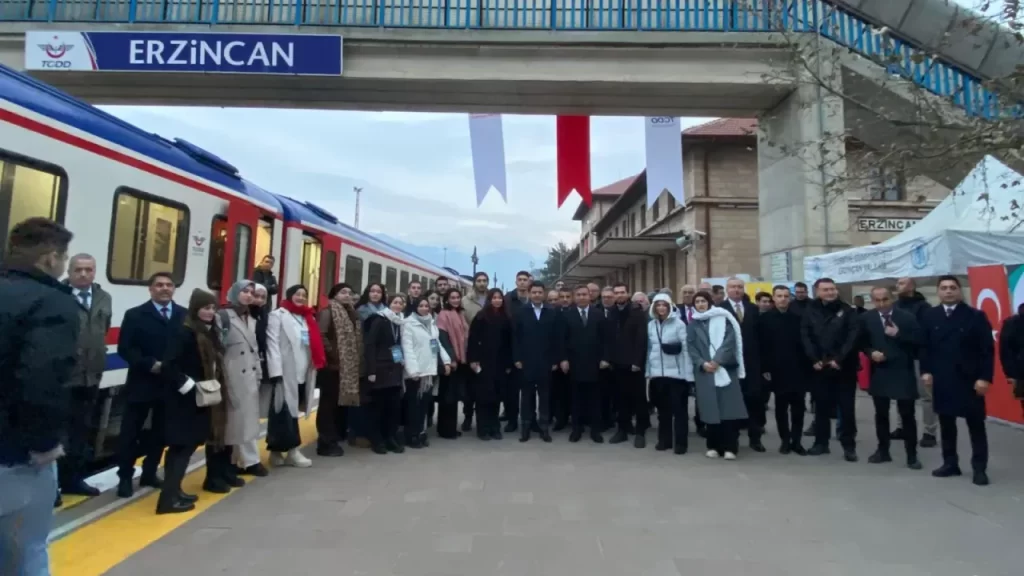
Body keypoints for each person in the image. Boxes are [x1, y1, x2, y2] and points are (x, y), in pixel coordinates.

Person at [0, 217, 78, 574]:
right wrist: (45, 443)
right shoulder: (52, 303)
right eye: (64, 259)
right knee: (26, 550)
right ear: (50, 258)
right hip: (15, 452)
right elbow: (40, 380)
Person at [116, 271, 186, 498]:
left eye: (169, 285)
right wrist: (149, 364)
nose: (164, 288)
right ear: (150, 289)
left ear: (174, 289)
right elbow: (125, 349)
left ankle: (149, 472)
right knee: (130, 432)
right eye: (159, 285)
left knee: (161, 432)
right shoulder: (135, 315)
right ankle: (125, 477)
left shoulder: (183, 316)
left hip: (168, 385)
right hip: (142, 382)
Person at [920, 276, 994, 486]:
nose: (948, 291)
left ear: (960, 291)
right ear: (938, 292)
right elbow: (925, 347)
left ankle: (979, 468)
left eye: (953, 287)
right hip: (943, 378)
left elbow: (987, 350)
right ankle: (950, 463)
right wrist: (926, 371)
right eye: (944, 288)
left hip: (970, 380)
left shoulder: (975, 316)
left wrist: (984, 378)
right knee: (946, 424)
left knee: (975, 425)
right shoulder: (930, 316)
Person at [158, 289, 223, 514]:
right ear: (196, 308)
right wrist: (189, 387)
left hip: (197, 399)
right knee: (180, 447)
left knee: (186, 446)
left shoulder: (205, 332)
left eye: (213, 309)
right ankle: (167, 500)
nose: (210, 312)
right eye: (206, 308)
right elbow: (168, 366)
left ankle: (175, 491)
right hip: (184, 400)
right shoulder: (184, 333)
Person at [58, 253, 111, 499]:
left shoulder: (103, 298)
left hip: (91, 377)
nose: (83, 274)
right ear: (69, 272)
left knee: (81, 432)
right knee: (57, 435)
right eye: (78, 269)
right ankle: (52, 488)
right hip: (62, 378)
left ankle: (73, 481)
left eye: (88, 269)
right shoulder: (57, 296)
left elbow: (104, 330)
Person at [859, 286, 923, 470]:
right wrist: (871, 353)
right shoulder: (867, 318)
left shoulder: (907, 318)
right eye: (877, 300)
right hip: (880, 371)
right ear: (872, 301)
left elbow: (919, 343)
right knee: (881, 414)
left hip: (903, 371)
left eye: (885, 299)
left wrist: (899, 335)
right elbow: (862, 342)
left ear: (892, 298)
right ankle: (883, 450)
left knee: (907, 415)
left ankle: (912, 455)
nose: (881, 304)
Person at [800, 277, 860, 462]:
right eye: (825, 289)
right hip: (819, 367)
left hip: (843, 367)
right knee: (821, 408)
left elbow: (853, 336)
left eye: (832, 289)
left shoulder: (848, 311)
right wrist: (814, 359)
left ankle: (849, 446)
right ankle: (821, 443)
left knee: (847, 409)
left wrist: (839, 359)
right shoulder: (810, 311)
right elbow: (805, 336)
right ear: (817, 292)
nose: (830, 292)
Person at [266, 284, 323, 468]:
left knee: (289, 412)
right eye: (297, 294)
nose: (300, 297)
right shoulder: (278, 315)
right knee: (282, 413)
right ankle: (291, 451)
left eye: (304, 295)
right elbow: (272, 343)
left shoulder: (307, 317)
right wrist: (276, 371)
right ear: (289, 296)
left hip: (302, 371)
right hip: (285, 371)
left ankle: (276, 451)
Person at [687, 291, 748, 460]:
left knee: (729, 411)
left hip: (725, 369)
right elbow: (690, 347)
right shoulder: (693, 324)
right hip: (705, 372)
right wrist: (702, 363)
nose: (700, 304)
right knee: (710, 411)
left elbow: (730, 342)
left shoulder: (723, 318)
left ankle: (730, 447)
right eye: (697, 302)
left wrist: (717, 361)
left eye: (703, 301)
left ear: (709, 302)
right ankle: (713, 445)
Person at [220, 281, 267, 478]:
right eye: (244, 291)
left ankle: (246, 461)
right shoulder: (223, 316)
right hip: (231, 377)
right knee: (232, 423)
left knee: (246, 422)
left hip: (248, 376)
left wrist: (258, 374)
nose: (248, 295)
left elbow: (254, 347)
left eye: (251, 292)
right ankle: (235, 463)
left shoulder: (250, 317)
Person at [759, 286, 809, 455]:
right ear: (774, 298)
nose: (782, 299)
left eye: (786, 296)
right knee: (781, 408)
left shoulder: (798, 318)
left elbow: (805, 344)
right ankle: (785, 440)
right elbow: (762, 347)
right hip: (777, 370)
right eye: (779, 296)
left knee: (798, 408)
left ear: (790, 298)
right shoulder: (765, 319)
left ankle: (797, 440)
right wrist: (765, 369)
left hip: (798, 370)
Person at [513, 281, 564, 443]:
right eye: (533, 292)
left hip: (546, 361)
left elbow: (558, 338)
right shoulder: (521, 312)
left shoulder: (552, 312)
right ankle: (526, 428)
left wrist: (556, 359)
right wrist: (517, 358)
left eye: (539, 292)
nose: (536, 295)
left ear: (544, 294)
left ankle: (544, 428)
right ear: (529, 294)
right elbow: (515, 338)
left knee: (545, 396)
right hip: (526, 361)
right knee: (526, 396)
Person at [316, 283, 362, 457]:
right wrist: (334, 355)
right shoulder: (328, 312)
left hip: (345, 367)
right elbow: (321, 335)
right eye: (343, 292)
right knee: (328, 405)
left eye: (349, 293)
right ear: (334, 294)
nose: (347, 295)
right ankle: (325, 442)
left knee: (337, 404)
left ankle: (334, 437)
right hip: (332, 367)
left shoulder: (351, 312)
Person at [719, 277, 765, 452]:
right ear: (727, 289)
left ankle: (755, 438)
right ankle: (732, 440)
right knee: (732, 403)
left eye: (739, 287)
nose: (736, 290)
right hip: (729, 364)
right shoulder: (720, 310)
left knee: (754, 401)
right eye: (733, 287)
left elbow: (760, 338)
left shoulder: (753, 309)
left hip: (752, 364)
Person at [892, 277, 937, 448]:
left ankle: (929, 432)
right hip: (900, 356)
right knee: (901, 394)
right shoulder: (895, 305)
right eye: (897, 284)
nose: (898, 286)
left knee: (926, 397)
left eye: (901, 284)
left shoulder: (923, 307)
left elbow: (925, 334)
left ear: (911, 286)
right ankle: (901, 427)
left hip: (919, 356)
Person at [401, 298, 452, 447]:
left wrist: (446, 361)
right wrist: (413, 370)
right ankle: (411, 435)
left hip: (429, 372)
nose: (424, 308)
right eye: (421, 306)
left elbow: (436, 345)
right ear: (415, 308)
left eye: (426, 306)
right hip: (415, 373)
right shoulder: (408, 324)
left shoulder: (431, 324)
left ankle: (421, 432)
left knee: (424, 405)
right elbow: (407, 348)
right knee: (413, 406)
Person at [562, 285, 609, 443]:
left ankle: (595, 431)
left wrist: (605, 358)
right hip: (574, 364)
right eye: (579, 295)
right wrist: (563, 359)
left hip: (594, 364)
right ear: (574, 297)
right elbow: (562, 339)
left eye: (584, 294)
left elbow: (605, 340)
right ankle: (576, 429)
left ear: (590, 296)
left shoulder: (598, 315)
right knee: (575, 399)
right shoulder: (567, 315)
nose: (582, 297)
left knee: (595, 399)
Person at [363, 294, 408, 454]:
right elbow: (370, 345)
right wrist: (371, 370)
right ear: (389, 304)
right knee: (378, 408)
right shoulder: (379, 320)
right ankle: (377, 440)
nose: (398, 305)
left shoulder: (400, 322)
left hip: (395, 369)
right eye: (395, 302)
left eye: (401, 303)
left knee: (393, 407)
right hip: (380, 369)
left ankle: (390, 437)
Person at [468, 288, 515, 440]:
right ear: (489, 299)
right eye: (494, 297)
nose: (497, 300)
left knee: (496, 397)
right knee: (483, 397)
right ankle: (483, 428)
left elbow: (510, 343)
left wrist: (509, 363)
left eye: (499, 298)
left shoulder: (507, 318)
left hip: (500, 363)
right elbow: (473, 340)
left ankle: (495, 427)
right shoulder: (481, 317)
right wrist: (473, 360)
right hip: (484, 362)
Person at [646, 294, 690, 455]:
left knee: (679, 412)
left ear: (669, 307)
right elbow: (650, 349)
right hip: (658, 374)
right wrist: (648, 371)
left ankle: (681, 443)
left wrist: (687, 373)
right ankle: (664, 441)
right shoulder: (651, 325)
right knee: (662, 411)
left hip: (677, 376)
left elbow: (686, 349)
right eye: (658, 305)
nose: (661, 308)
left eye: (664, 305)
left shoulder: (679, 324)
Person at [607, 283, 649, 448]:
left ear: (628, 294)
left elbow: (641, 339)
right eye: (616, 293)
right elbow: (609, 338)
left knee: (638, 399)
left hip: (634, 364)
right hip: (617, 363)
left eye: (622, 292)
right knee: (620, 398)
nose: (619, 295)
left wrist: (637, 362)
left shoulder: (637, 312)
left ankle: (640, 432)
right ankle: (622, 430)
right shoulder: (612, 312)